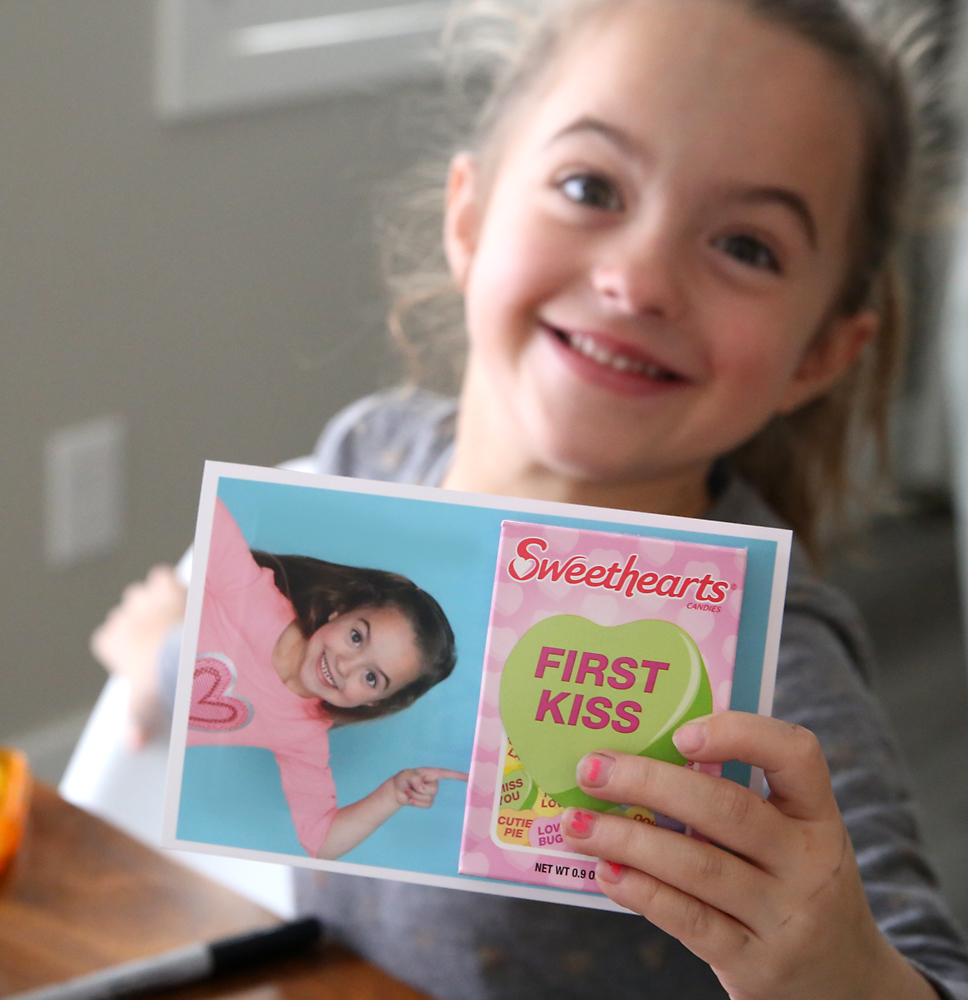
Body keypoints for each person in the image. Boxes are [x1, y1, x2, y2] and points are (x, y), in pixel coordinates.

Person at [92, 0, 968, 995]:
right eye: (591, 185)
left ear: (818, 354)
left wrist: (840, 968)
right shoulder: (368, 452)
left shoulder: (773, 663)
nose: (639, 280)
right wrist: (168, 648)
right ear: (468, 217)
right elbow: (267, 663)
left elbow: (925, 964)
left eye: (746, 246)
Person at [169, 496, 461, 859]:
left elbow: (321, 841)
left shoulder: (303, 734)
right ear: (338, 611)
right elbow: (201, 506)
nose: (345, 664)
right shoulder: (253, 596)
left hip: (139, 729)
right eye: (356, 637)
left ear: (374, 701)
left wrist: (392, 795)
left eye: (371, 678)